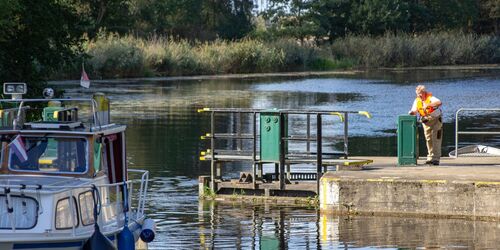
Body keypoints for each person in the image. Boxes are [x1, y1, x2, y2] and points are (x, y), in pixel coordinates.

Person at [408, 85, 443, 165]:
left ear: (424, 92)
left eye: (420, 94)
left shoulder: (431, 98)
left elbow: (439, 102)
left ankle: (436, 159)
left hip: (436, 119)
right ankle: (430, 157)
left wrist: (428, 105)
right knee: (428, 139)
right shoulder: (417, 101)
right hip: (426, 121)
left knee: (436, 139)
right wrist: (411, 112)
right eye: (417, 94)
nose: (419, 95)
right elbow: (414, 111)